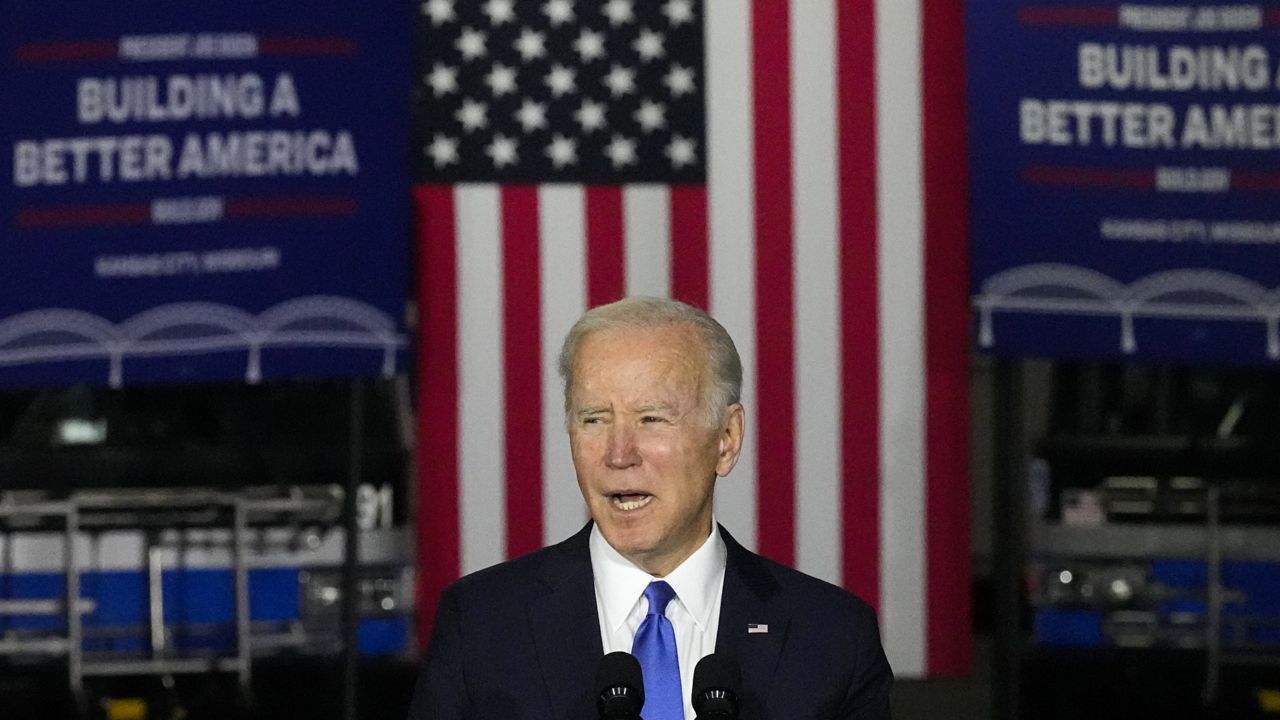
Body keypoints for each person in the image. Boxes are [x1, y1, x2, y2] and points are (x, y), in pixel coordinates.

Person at [407, 297, 892, 720]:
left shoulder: (832, 638)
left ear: (726, 439)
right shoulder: (482, 626)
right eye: (594, 419)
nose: (619, 454)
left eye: (651, 419)